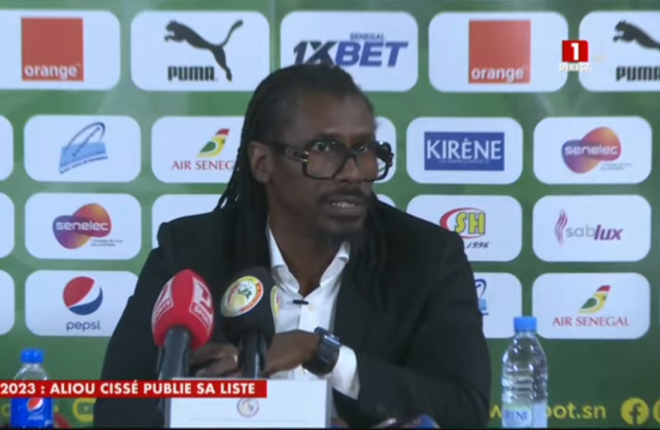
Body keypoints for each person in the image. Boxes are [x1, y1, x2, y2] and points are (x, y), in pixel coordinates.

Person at [94, 64, 491, 428]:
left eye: (365, 150)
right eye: (324, 150)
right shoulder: (190, 252)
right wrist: (209, 399)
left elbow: (463, 409)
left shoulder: (425, 256)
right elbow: (117, 409)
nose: (353, 173)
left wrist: (320, 352)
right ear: (262, 162)